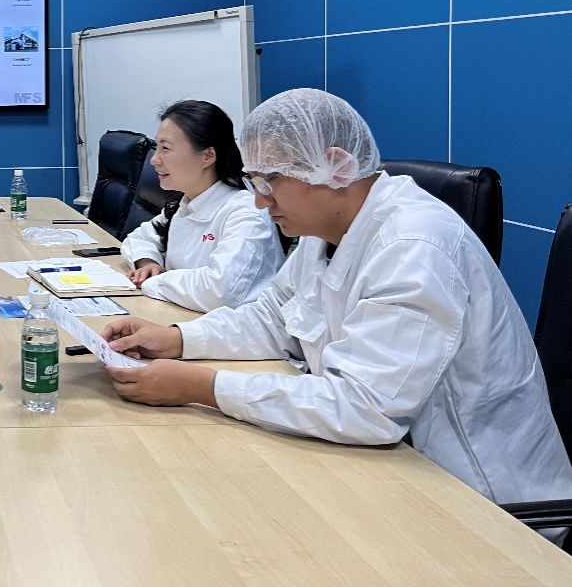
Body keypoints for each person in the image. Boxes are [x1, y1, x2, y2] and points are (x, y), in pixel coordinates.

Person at [101, 88, 572, 510]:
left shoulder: (415, 246)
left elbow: (366, 407)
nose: (260, 200)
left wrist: (202, 387)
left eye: (270, 180)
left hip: (479, 499)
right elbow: (273, 317)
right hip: (394, 466)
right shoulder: (324, 229)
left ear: (335, 166)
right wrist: (176, 339)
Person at [120, 100, 283, 311]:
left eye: (165, 148)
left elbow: (220, 291)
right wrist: (147, 263)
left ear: (207, 156)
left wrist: (155, 281)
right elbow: (139, 238)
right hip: (181, 315)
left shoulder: (245, 212)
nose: (154, 160)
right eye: (157, 147)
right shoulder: (185, 203)